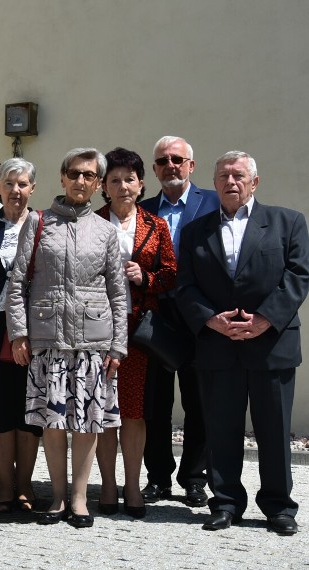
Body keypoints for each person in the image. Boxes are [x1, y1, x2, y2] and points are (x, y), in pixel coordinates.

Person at [176, 151, 309, 535]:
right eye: (223, 176)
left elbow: (299, 275)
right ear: (213, 183)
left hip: (272, 345)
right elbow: (184, 286)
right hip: (219, 346)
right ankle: (226, 503)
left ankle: (279, 507)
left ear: (254, 182)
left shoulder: (287, 222)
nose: (230, 182)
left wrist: (266, 318)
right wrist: (210, 320)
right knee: (221, 430)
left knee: (274, 431)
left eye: (238, 176)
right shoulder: (195, 230)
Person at [6, 148, 127, 528]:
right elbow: (16, 285)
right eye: (74, 173)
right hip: (49, 339)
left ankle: (79, 499)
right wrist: (19, 334)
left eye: (89, 176)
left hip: (93, 342)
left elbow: (119, 292)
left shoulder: (107, 230)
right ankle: (57, 497)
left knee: (88, 423)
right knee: (53, 423)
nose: (80, 181)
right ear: (62, 177)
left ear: (97, 183)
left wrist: (118, 345)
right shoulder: (38, 222)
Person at [93, 148, 177, 518]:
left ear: (141, 184)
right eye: (114, 179)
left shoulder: (156, 225)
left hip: (136, 330)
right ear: (104, 186)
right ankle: (107, 486)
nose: (123, 186)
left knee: (132, 412)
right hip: (95, 331)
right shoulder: (91, 223)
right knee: (102, 412)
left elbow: (172, 274)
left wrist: (147, 278)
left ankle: (131, 485)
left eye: (129, 179)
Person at [139, 136, 219, 508]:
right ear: (154, 170)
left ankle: (194, 478)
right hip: (155, 317)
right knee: (155, 401)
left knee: (198, 401)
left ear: (191, 165)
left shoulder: (214, 204)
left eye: (177, 159)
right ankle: (157, 478)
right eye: (162, 161)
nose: (170, 165)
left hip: (199, 317)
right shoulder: (143, 210)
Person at [0, 158, 43, 512]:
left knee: (28, 410)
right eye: (9, 183)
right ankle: (2, 485)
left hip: (35, 329)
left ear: (33, 188)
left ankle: (25, 485)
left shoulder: (46, 225)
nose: (16, 190)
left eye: (23, 184)